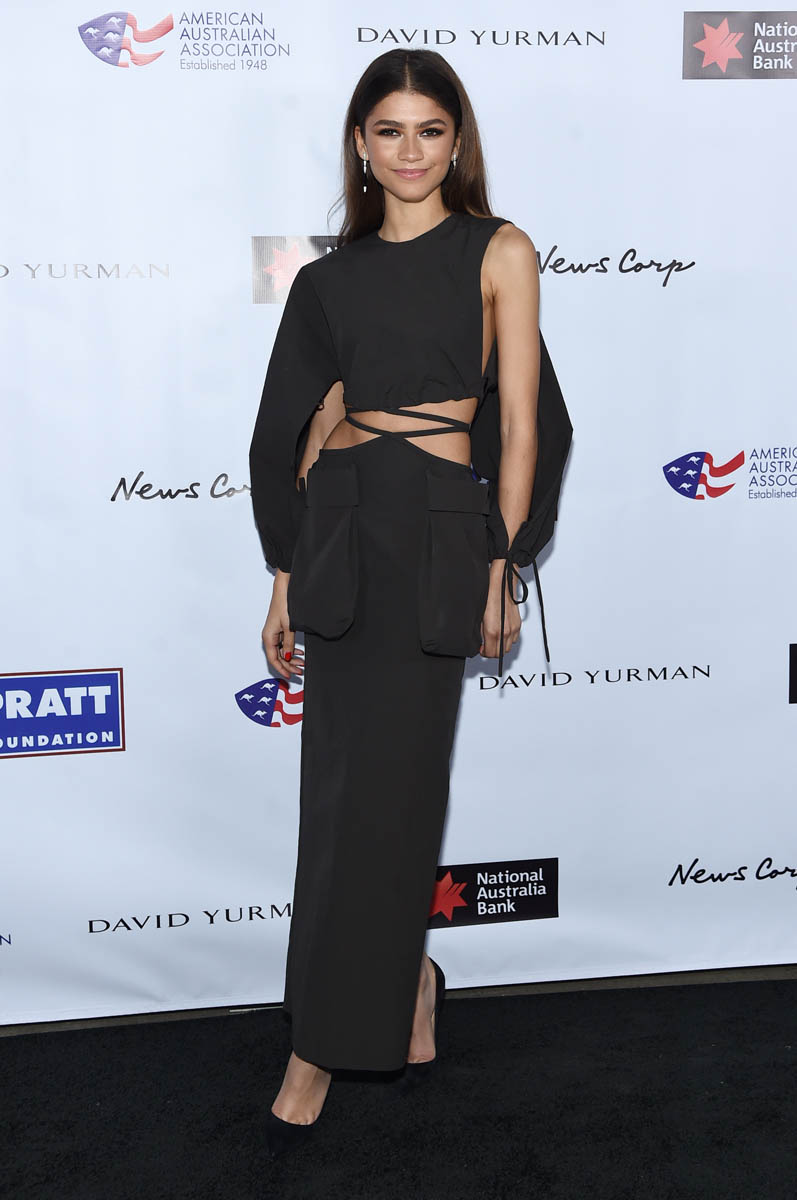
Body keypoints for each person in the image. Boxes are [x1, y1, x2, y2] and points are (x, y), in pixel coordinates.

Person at [248, 48, 572, 1159]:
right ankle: (394, 989)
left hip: (438, 535)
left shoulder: (499, 250)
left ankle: (327, 1039)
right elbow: (289, 430)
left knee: (393, 802)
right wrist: (283, 574)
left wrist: (503, 563)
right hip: (340, 534)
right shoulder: (326, 282)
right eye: (387, 129)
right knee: (338, 800)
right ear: (359, 143)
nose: (408, 150)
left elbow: (523, 424)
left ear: (455, 140)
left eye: (429, 129)